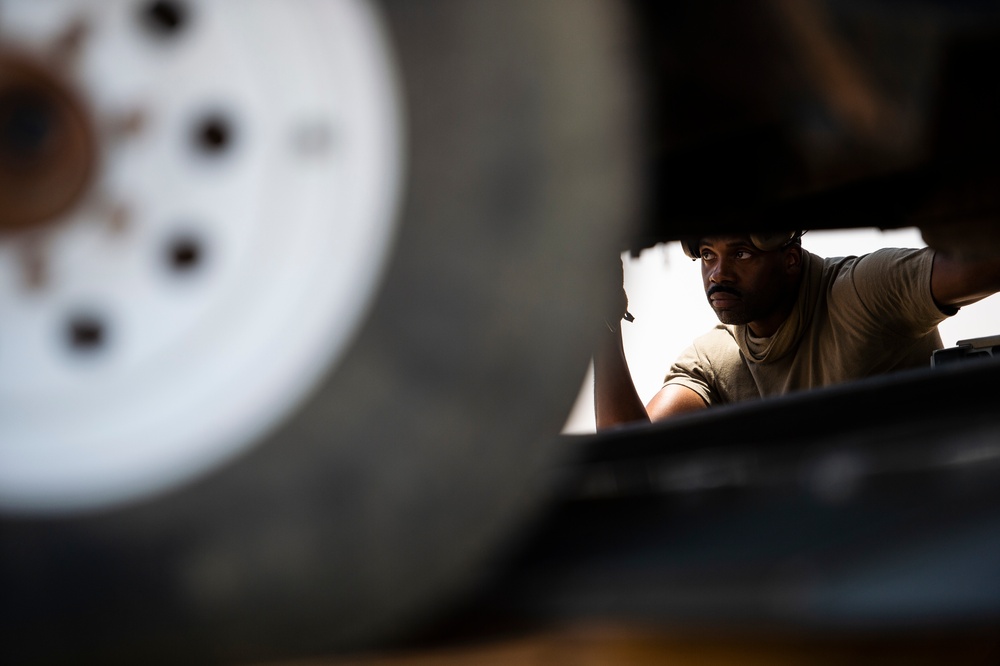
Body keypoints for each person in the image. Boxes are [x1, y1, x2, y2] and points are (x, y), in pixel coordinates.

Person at [594, 230, 1000, 429]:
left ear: (790, 259)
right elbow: (632, 449)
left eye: (740, 253)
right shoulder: (716, 358)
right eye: (707, 255)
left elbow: (980, 266)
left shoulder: (861, 291)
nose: (718, 273)